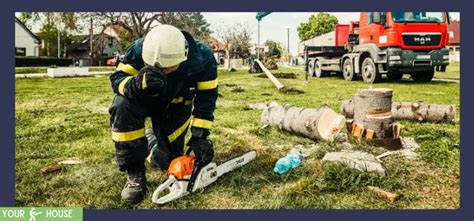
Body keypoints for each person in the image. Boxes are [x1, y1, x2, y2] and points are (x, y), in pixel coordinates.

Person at [108, 24, 218, 204]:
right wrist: (135, 84)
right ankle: (135, 172)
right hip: (143, 99)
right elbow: (116, 79)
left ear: (183, 57)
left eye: (167, 68)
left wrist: (200, 136)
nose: (162, 72)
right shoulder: (139, 48)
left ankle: (151, 141)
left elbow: (207, 98)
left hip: (175, 106)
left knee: (167, 161)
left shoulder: (203, 58)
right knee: (121, 105)